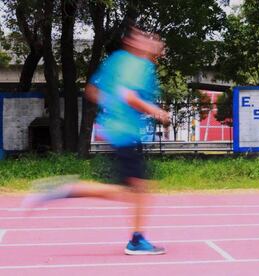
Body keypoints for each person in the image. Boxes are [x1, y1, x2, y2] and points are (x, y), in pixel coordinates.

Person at [22, 26, 170, 255]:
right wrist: (156, 111)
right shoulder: (138, 65)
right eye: (146, 38)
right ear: (133, 43)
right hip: (126, 132)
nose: (152, 42)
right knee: (136, 191)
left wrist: (111, 109)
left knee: (133, 190)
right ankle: (135, 240)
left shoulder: (116, 61)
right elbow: (129, 96)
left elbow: (92, 91)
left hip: (116, 130)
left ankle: (65, 190)